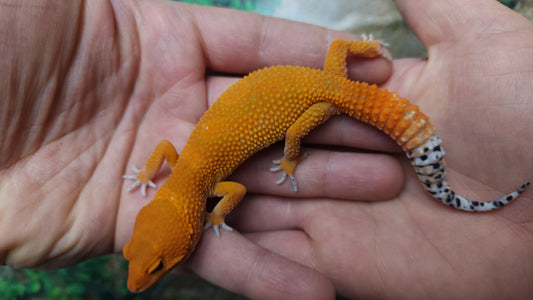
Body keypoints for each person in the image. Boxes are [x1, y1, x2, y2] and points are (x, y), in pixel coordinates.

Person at [0, 0, 531, 299]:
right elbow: (165, 150)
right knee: (333, 67)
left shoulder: (206, 190)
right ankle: (424, 154)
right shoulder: (182, 177)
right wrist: (148, 173)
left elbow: (226, 188)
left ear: (181, 225)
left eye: (155, 265)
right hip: (323, 80)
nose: (146, 277)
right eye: (154, 265)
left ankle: (429, 176)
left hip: (319, 102)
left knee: (297, 136)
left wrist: (286, 161)